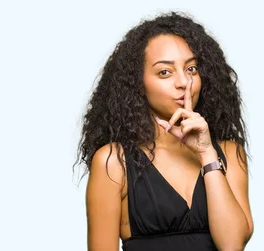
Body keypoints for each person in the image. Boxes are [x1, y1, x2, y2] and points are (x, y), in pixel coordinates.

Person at [74, 11, 254, 251]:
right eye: (165, 72)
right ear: (137, 83)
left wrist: (206, 154)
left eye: (191, 69)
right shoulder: (113, 162)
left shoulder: (230, 154)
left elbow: (232, 245)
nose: (183, 82)